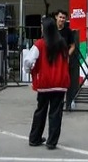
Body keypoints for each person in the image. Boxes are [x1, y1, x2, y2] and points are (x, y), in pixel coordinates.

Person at [23, 17, 70, 150]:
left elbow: (28, 60)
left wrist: (28, 70)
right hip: (60, 82)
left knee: (41, 110)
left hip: (45, 83)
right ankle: (52, 141)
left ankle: (35, 137)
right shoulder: (62, 43)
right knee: (56, 113)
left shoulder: (40, 44)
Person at [53, 9, 80, 111]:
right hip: (52, 60)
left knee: (65, 81)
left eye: (64, 18)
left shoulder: (68, 31)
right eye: (60, 17)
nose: (62, 19)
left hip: (63, 61)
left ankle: (68, 101)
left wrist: (66, 56)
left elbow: (72, 46)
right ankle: (55, 102)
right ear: (56, 17)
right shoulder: (51, 30)